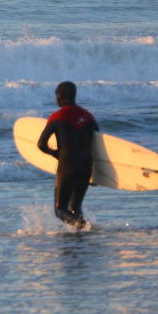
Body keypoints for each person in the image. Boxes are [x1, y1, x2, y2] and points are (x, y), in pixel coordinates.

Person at [36, 81, 99, 228]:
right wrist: (97, 174)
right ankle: (81, 237)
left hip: (67, 166)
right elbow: (99, 144)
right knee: (75, 208)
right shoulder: (88, 117)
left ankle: (81, 225)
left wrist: (56, 154)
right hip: (86, 167)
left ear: (60, 96)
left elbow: (41, 144)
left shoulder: (57, 117)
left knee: (60, 210)